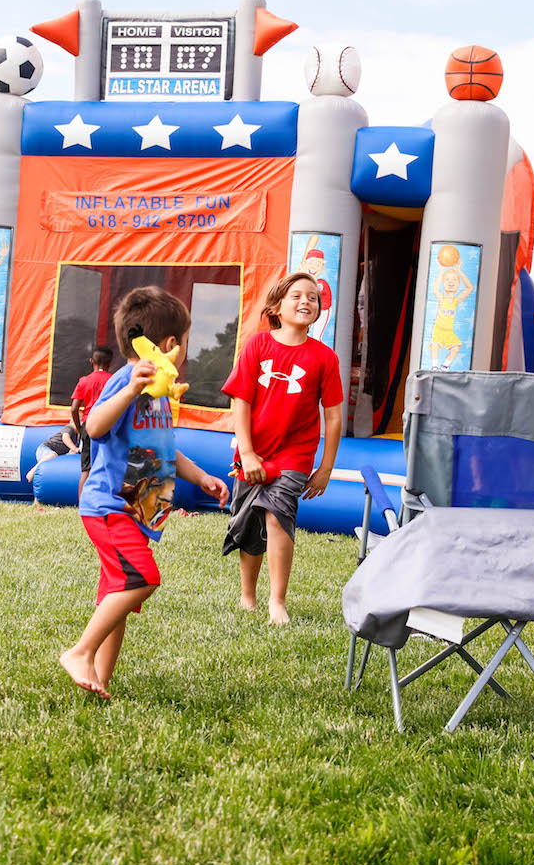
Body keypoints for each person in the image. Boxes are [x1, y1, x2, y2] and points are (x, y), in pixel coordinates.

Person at [59, 287, 229, 699]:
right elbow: (95, 428)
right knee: (142, 578)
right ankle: (80, 652)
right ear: (169, 345)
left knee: (117, 596)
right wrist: (131, 389)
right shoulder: (127, 379)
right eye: (186, 343)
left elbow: (162, 448)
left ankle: (98, 678)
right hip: (109, 507)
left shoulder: (160, 394)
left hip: (135, 511)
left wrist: (202, 477)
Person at [221, 271, 343, 627]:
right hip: (254, 450)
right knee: (249, 521)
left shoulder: (325, 358)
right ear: (276, 306)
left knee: (276, 514)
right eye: (297, 296)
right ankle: (248, 595)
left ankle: (278, 600)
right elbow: (240, 402)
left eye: (313, 297)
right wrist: (247, 453)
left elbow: (333, 418)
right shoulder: (257, 346)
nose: (306, 301)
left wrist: (325, 467)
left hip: (295, 455)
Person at [71, 345, 114, 499]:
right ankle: (107, 502)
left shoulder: (84, 381)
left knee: (87, 469)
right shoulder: (112, 380)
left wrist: (78, 428)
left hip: (88, 426)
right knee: (109, 466)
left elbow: (74, 408)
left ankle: (83, 505)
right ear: (110, 364)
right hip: (109, 426)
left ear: (91, 362)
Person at [428, 265, 474, 370]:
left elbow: (470, 288)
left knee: (456, 349)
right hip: (438, 329)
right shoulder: (442, 298)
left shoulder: (456, 301)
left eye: (454, 279)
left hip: (449, 331)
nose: (451, 282)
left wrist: (459, 271)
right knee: (434, 346)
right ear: (443, 283)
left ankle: (444, 366)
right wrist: (441, 271)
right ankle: (434, 366)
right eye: (447, 279)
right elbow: (435, 289)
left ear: (458, 284)